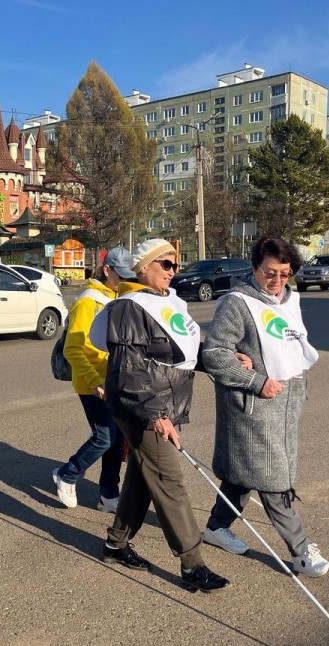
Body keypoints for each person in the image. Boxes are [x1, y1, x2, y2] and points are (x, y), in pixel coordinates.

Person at [92, 239, 230, 593]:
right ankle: (192, 564)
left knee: (143, 476)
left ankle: (116, 543)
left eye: (176, 266)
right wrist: (155, 415)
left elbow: (185, 352)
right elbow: (128, 370)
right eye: (166, 264)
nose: (173, 271)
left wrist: (229, 360)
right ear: (143, 268)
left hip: (164, 405)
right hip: (143, 407)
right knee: (170, 482)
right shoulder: (129, 307)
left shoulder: (170, 302)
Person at [200, 235, 329, 578]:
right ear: (254, 267)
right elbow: (215, 354)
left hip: (287, 403)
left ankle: (216, 527)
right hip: (253, 405)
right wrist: (256, 381)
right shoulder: (236, 303)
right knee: (273, 478)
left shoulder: (290, 299)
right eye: (269, 273)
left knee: (244, 473)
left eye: (285, 273)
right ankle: (302, 552)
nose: (277, 281)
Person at [51, 247, 135, 512]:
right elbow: (72, 349)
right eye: (120, 275)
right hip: (92, 382)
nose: (124, 280)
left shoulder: (116, 296)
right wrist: (95, 380)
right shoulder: (88, 300)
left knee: (117, 439)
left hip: (114, 380)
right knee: (104, 437)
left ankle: (109, 494)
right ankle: (68, 473)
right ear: (107, 270)